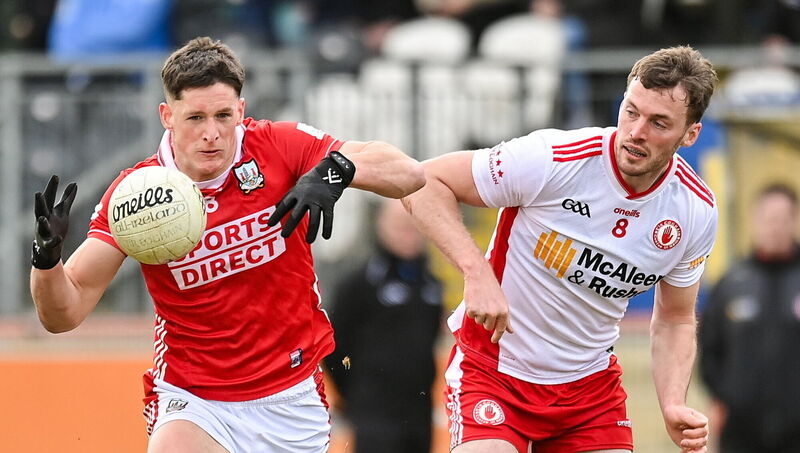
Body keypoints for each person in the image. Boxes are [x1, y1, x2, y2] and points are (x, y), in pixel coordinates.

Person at [29, 36, 424, 453]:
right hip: (194, 396)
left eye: (223, 116)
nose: (212, 134)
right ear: (167, 116)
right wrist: (47, 258)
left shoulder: (278, 146)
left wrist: (332, 172)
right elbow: (64, 313)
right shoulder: (137, 195)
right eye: (195, 118)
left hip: (291, 393)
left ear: (241, 110)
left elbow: (410, 174)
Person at [402, 45, 718, 453]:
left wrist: (673, 402)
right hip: (494, 372)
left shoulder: (695, 210)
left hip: (589, 392)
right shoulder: (555, 158)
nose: (636, 132)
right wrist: (476, 273)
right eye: (631, 111)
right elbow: (421, 182)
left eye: (659, 123)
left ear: (690, 134)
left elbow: (675, 318)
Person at [326, 198, 443, 453]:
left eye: (414, 226)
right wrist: (354, 394)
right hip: (374, 414)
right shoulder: (360, 283)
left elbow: (430, 339)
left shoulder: (431, 285)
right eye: (401, 226)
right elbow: (333, 345)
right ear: (382, 225)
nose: (408, 234)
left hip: (418, 413)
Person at [699, 183, 800, 453]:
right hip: (741, 430)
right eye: (769, 219)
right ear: (755, 221)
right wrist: (721, 398)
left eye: (782, 219)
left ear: (794, 221)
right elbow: (710, 350)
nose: (775, 227)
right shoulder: (731, 284)